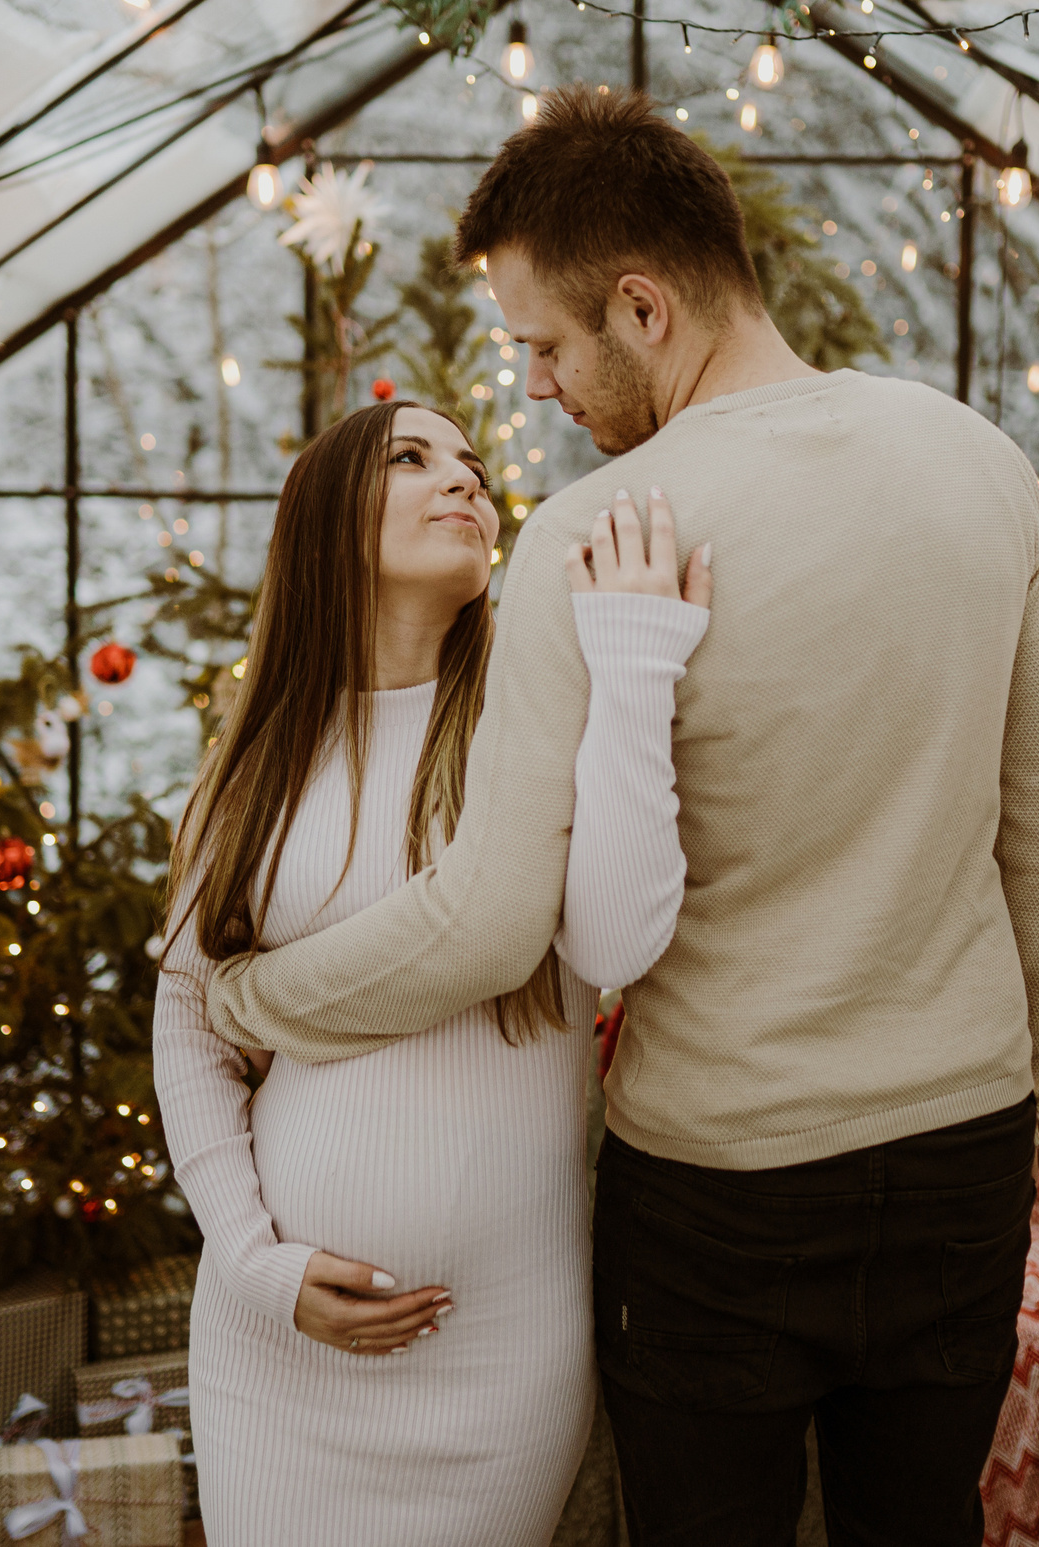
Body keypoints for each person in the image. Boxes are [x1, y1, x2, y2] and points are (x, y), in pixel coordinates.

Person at [204, 87, 1039, 1546]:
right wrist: (1012, 1061)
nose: (539, 387)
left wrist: (254, 991)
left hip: (724, 1190)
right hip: (962, 1150)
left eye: (546, 343)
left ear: (642, 304)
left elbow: (495, 922)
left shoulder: (596, 536)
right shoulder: (982, 465)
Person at [151, 399, 713, 1546]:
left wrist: (635, 668)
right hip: (276, 1354)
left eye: (472, 464)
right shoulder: (253, 759)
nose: (465, 480)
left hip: (500, 1349)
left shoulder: (531, 719)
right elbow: (189, 1019)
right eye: (412, 459)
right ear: (321, 521)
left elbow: (611, 947)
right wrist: (258, 1267)